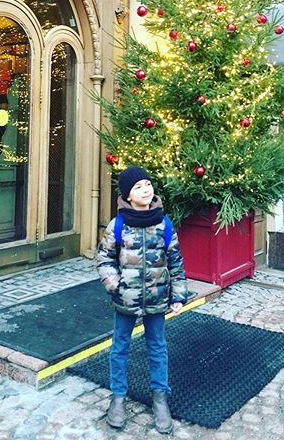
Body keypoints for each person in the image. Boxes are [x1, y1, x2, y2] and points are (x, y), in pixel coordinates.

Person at [97, 166, 189, 434]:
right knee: (120, 347)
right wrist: (117, 286)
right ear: (127, 195)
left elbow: (176, 262)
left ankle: (160, 398)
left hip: (157, 299)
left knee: (157, 347)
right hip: (126, 299)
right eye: (138, 187)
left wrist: (178, 295)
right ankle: (118, 397)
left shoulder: (164, 224)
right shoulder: (118, 225)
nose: (145, 190)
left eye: (147, 184)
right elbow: (104, 260)